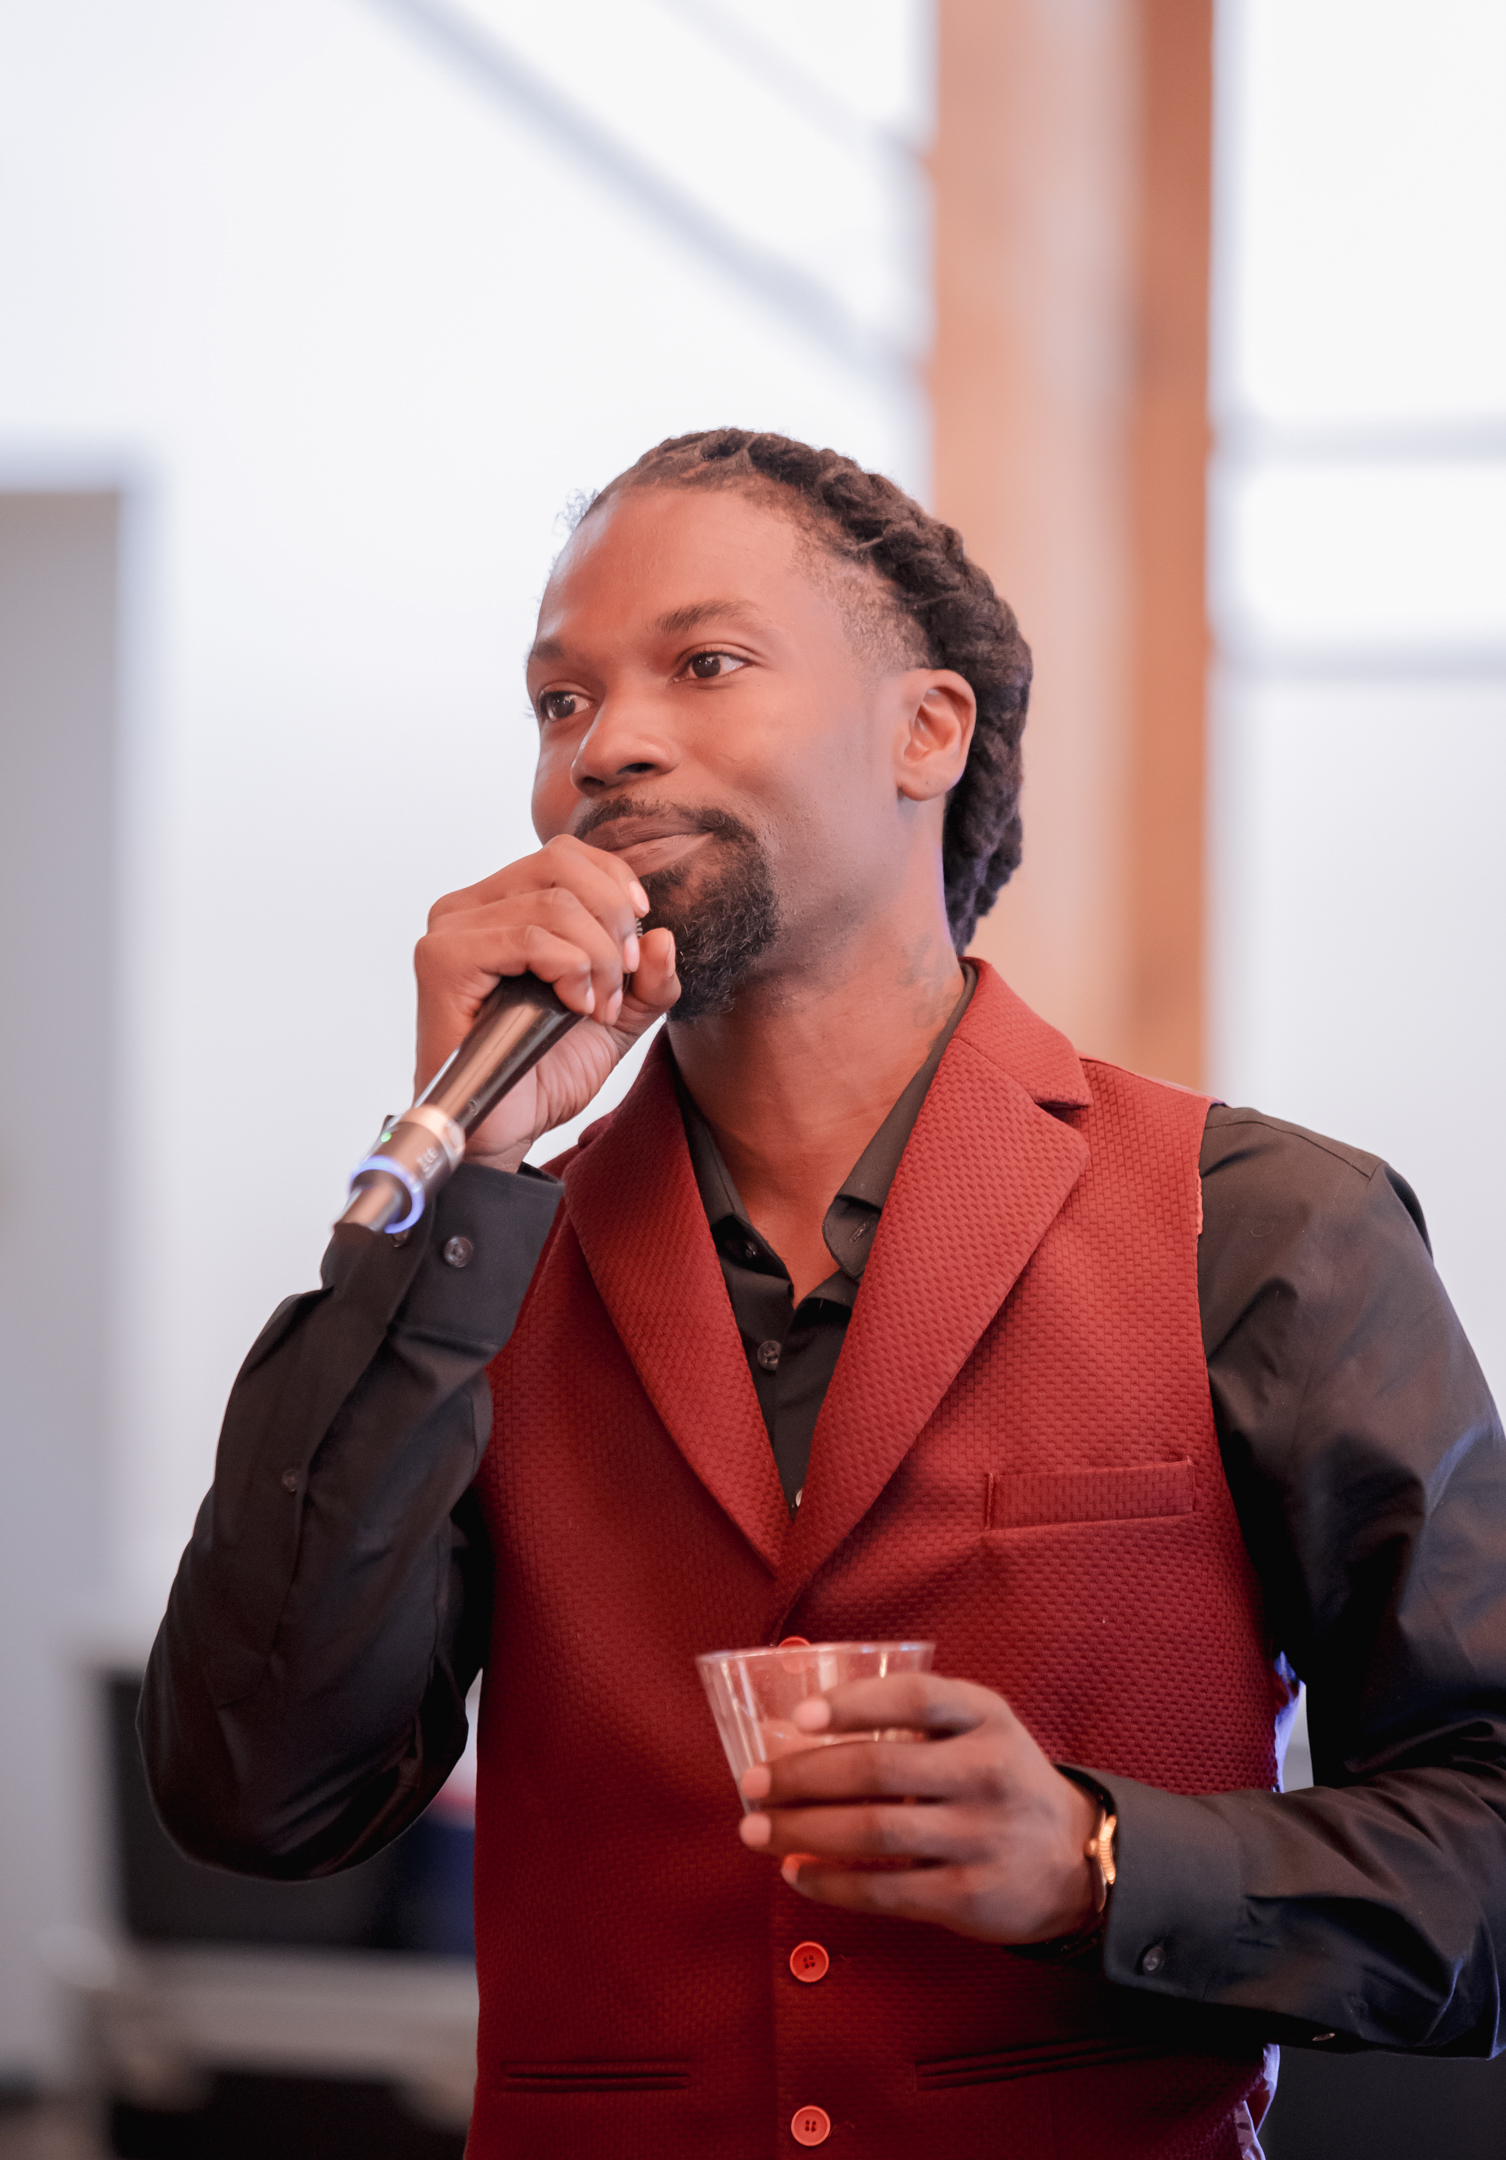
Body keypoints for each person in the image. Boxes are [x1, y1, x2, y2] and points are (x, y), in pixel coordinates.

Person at [141, 430, 1506, 2159]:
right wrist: (457, 1187)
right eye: (559, 701)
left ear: (925, 733)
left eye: (705, 664)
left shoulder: (1255, 1227)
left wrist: (1094, 1860)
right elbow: (255, 1797)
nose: (606, 745)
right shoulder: (486, 1271)